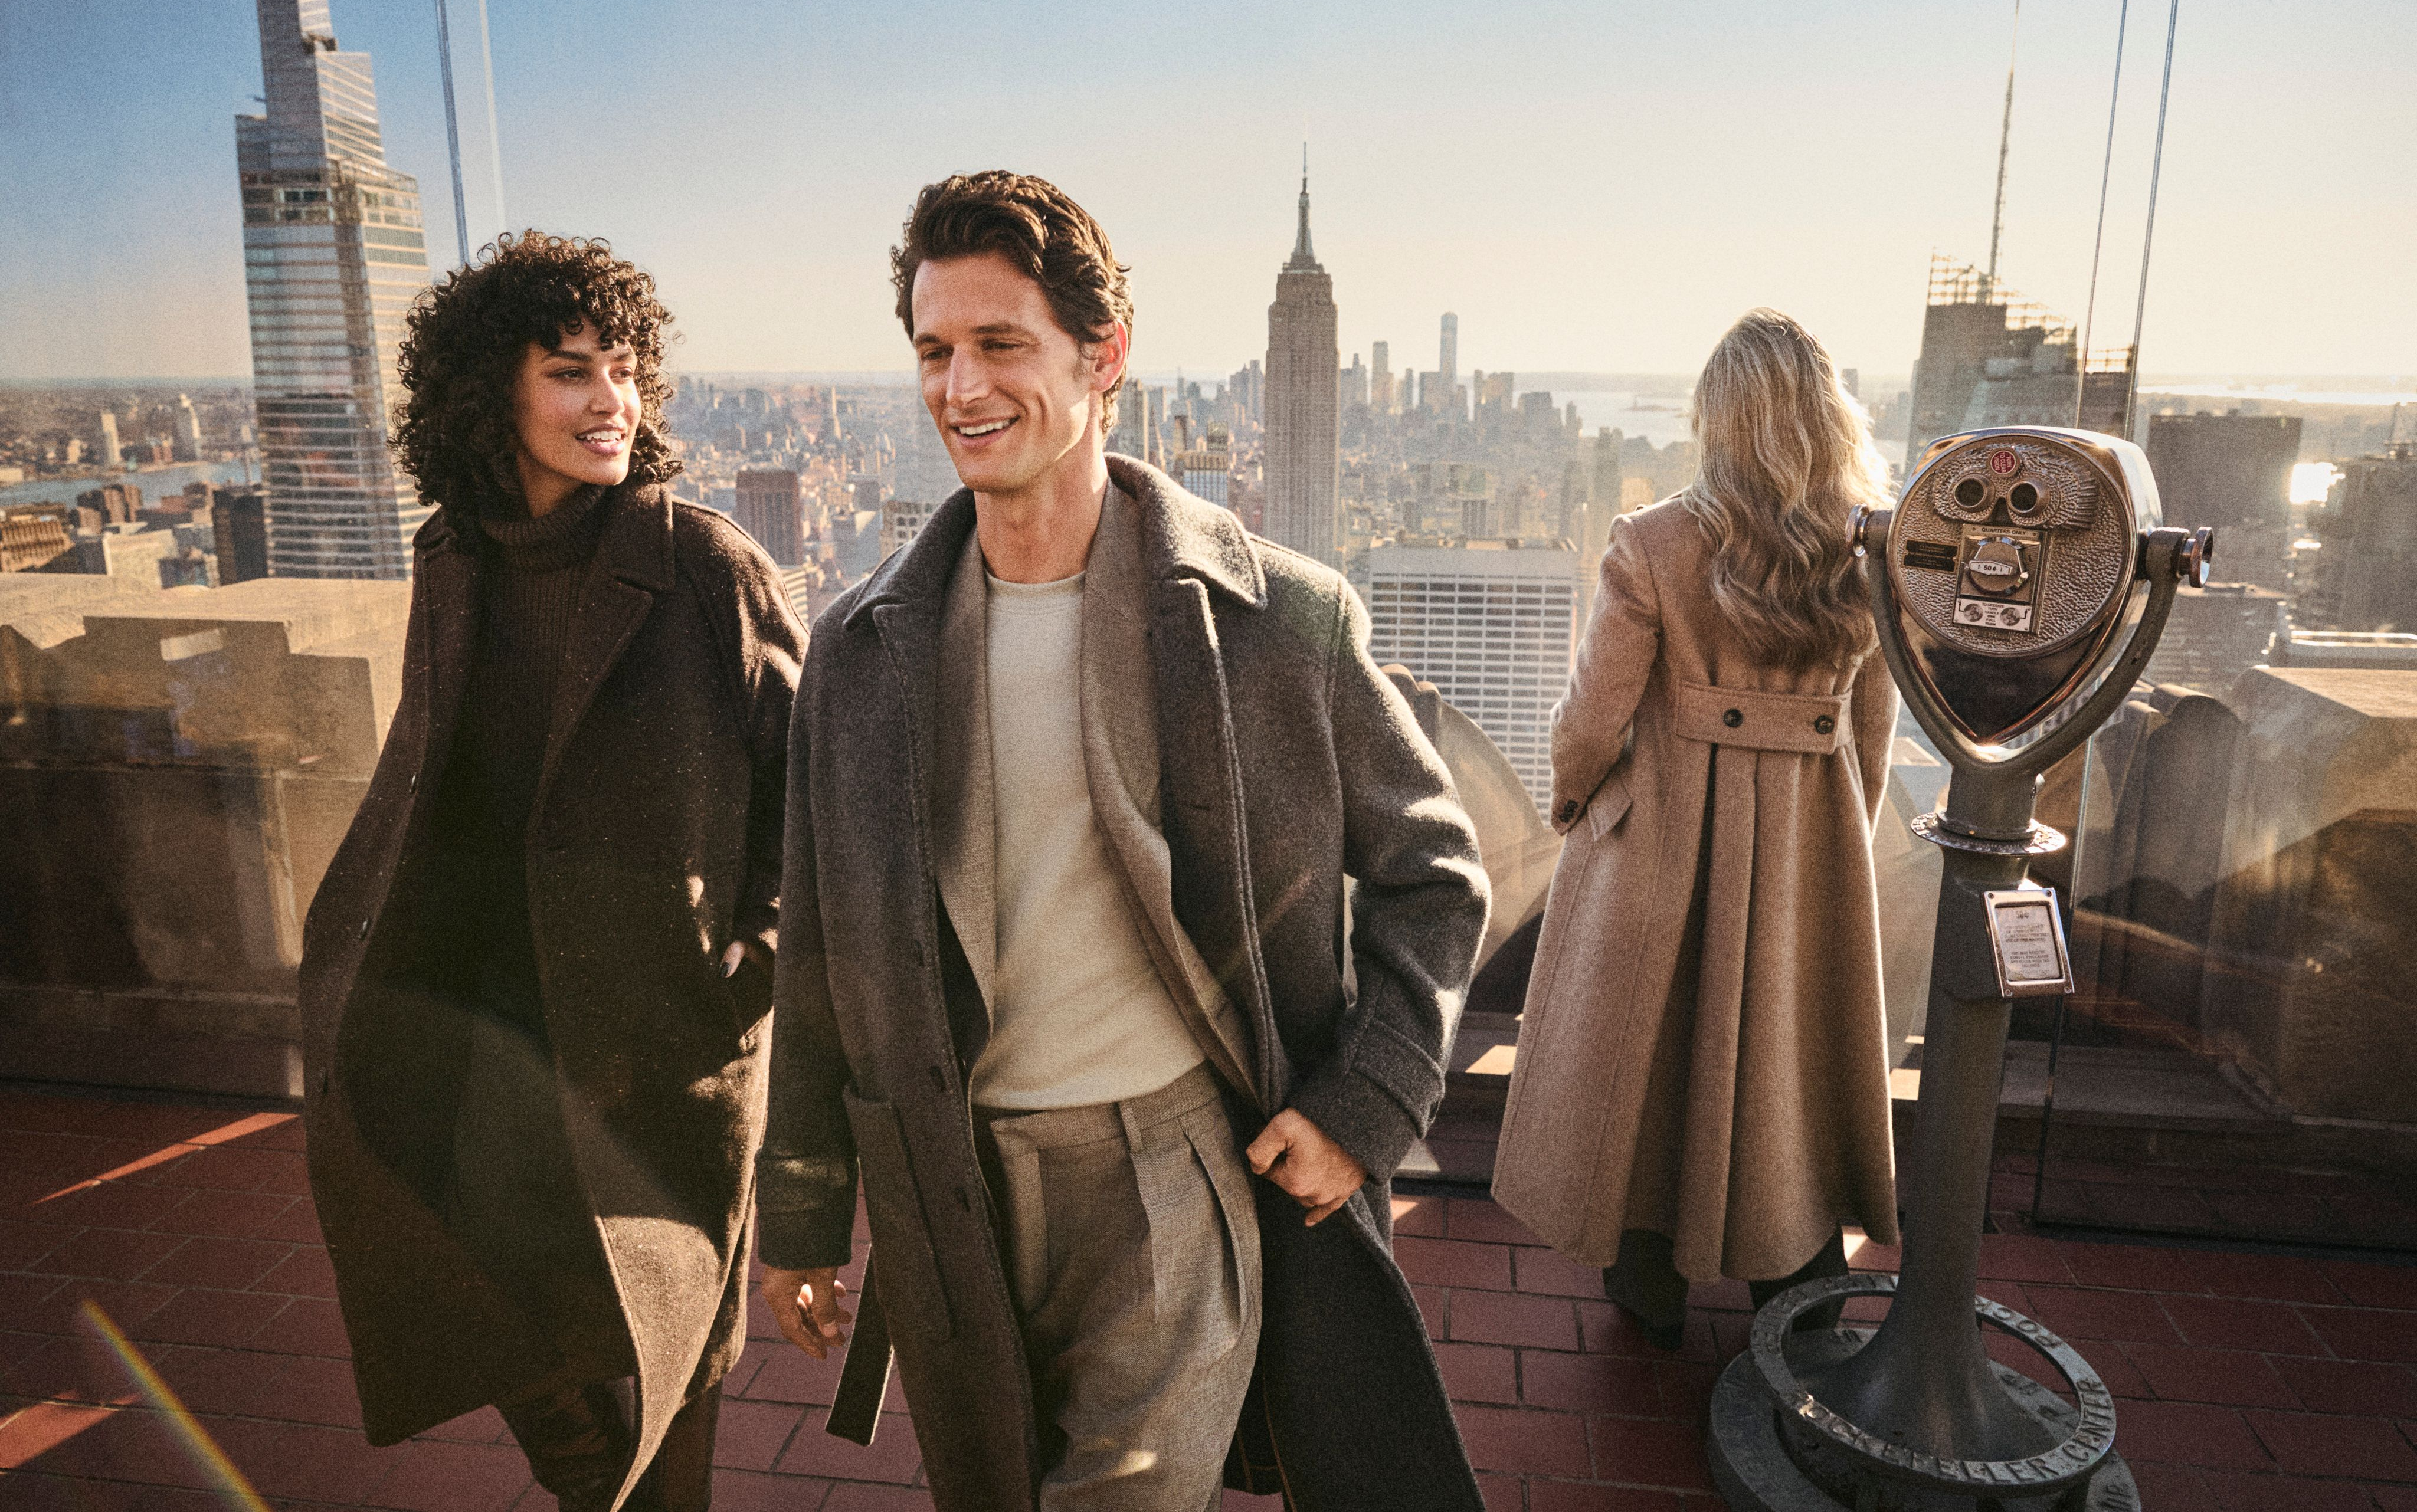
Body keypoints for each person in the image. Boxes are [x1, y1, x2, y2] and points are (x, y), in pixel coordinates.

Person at [752, 172, 1492, 1510]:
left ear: (1105, 359)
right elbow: (822, 955)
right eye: (932, 350)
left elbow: (1431, 876)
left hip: (1170, 1178)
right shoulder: (859, 657)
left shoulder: (1279, 619)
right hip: (950, 1192)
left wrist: (1364, 1107)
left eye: (998, 344)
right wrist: (804, 1206)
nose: (957, 387)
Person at [297, 232, 805, 1511]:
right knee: (472, 1269)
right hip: (481, 1017)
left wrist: (751, 962)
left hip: (655, 1026)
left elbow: (812, 793)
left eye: (624, 372)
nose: (610, 404)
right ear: (491, 397)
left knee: (667, 1346)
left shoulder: (703, 566)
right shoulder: (452, 554)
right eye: (572, 373)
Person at [1491, 307, 1901, 1349]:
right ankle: (1798, 1289)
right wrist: (1842, 827)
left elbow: (1593, 717)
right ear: (1827, 415)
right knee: (1788, 1055)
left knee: (1653, 1055)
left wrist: (1576, 802)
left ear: (1714, 421)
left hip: (1665, 842)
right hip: (1811, 842)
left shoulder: (1655, 540)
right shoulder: (1874, 544)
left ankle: (1649, 1288)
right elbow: (1874, 724)